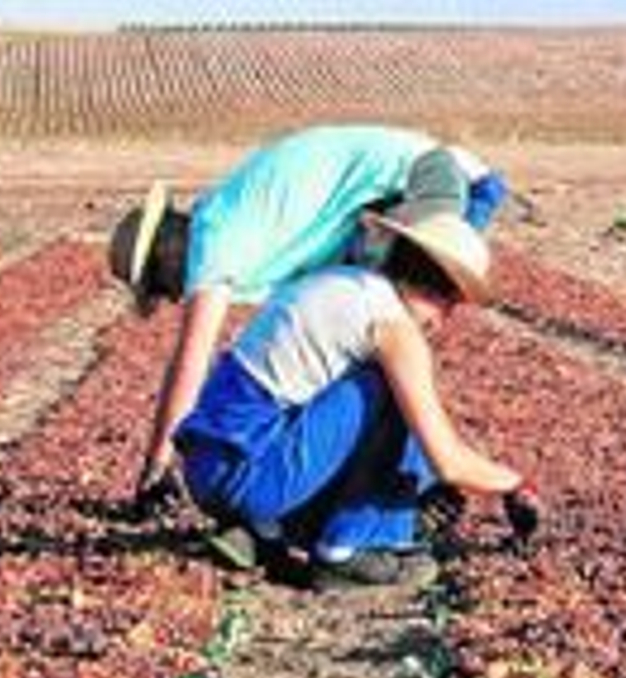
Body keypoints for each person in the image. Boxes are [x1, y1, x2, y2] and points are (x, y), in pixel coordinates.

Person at [107, 124, 509, 517]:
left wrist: (156, 467)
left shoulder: (214, 243)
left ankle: (409, 487)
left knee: (390, 344)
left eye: (161, 284)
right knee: (364, 342)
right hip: (414, 186)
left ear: (166, 250)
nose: (175, 295)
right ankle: (361, 490)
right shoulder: (235, 223)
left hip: (426, 181)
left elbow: (190, 361)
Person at [170, 205, 540, 589]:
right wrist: (515, 484)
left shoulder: (341, 282)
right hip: (250, 475)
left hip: (205, 467)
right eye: (451, 304)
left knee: (379, 402)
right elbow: (447, 460)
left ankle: (265, 531)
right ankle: (347, 550)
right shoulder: (393, 327)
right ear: (440, 292)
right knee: (389, 393)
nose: (444, 320)